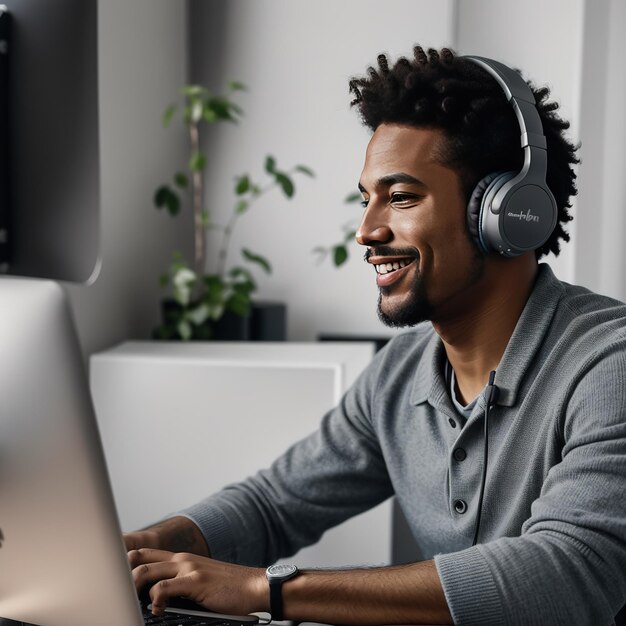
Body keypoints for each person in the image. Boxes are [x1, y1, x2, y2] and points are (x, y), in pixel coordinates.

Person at [125, 46, 626, 625]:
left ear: (508, 213)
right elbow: (273, 505)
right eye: (366, 199)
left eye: (402, 196)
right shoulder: (401, 371)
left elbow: (566, 572)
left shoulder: (608, 363)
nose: (366, 230)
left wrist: (269, 589)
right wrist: (145, 546)